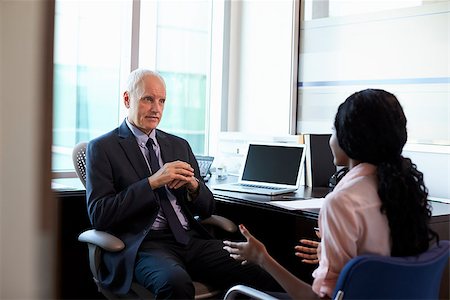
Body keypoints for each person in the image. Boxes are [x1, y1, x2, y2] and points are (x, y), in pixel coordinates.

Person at [223, 88, 439, 299]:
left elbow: (319, 298)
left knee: (239, 295)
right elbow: (382, 265)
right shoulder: (405, 190)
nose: (330, 138)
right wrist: (332, 256)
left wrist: (262, 258)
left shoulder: (341, 202)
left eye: (334, 130)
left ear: (349, 137)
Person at [85, 68, 280, 298]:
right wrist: (152, 182)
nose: (156, 108)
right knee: (175, 283)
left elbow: (208, 208)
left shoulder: (179, 146)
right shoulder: (102, 148)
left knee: (261, 268)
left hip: (190, 239)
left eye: (162, 101)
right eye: (148, 99)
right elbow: (100, 214)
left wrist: (194, 188)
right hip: (146, 245)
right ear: (128, 99)